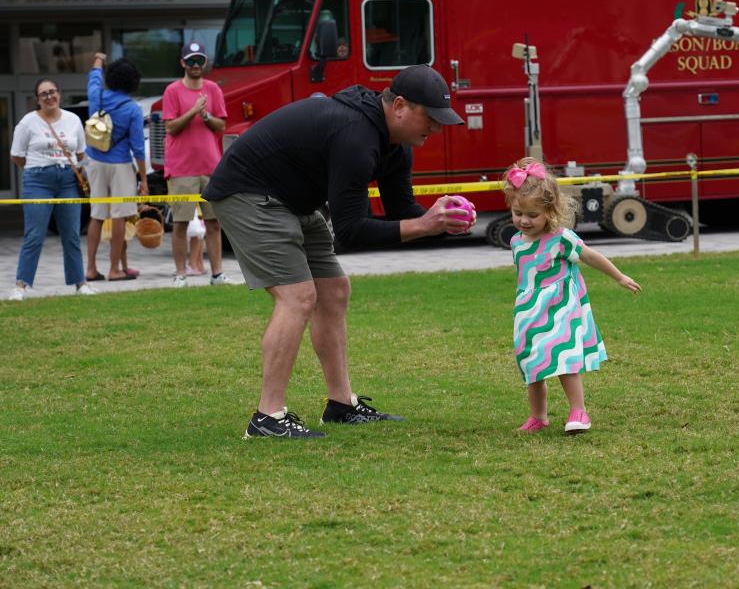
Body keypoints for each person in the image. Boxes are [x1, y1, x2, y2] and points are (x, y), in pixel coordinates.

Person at [202, 64, 472, 439]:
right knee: (297, 296)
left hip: (293, 200)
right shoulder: (356, 136)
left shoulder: (396, 147)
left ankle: (341, 405)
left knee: (334, 290)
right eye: (431, 118)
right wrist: (424, 225)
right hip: (249, 193)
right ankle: (267, 418)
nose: (437, 129)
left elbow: (402, 214)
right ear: (399, 106)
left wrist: (440, 220)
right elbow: (351, 231)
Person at [504, 158, 640, 434]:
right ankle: (538, 416)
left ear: (550, 212)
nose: (524, 220)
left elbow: (591, 256)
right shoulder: (516, 242)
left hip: (560, 308)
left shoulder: (561, 238)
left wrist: (619, 277)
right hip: (530, 311)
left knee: (563, 357)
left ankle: (579, 411)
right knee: (534, 364)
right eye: (518, 213)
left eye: (532, 215)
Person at [8, 78, 98, 300]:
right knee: (34, 234)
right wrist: (36, 168)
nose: (49, 97)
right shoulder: (27, 122)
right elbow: (17, 156)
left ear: (59, 94)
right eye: (44, 94)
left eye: (52, 92)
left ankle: (81, 283)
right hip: (37, 179)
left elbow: (80, 153)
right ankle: (21, 286)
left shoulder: (73, 120)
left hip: (68, 179)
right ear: (37, 99)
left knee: (72, 234)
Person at [161, 42, 230, 288]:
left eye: (199, 60)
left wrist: (206, 116)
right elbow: (171, 127)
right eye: (190, 61)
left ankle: (217, 274)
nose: (195, 65)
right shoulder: (172, 91)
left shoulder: (213, 89)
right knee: (180, 223)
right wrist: (193, 111)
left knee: (214, 222)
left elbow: (221, 126)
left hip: (211, 166)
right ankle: (180, 274)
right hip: (181, 169)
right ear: (182, 63)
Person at [85, 53, 148, 282]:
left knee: (97, 216)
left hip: (95, 161)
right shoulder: (132, 109)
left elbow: (93, 75)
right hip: (120, 164)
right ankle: (114, 269)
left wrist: (99, 60)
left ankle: (90, 268)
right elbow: (138, 149)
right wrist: (144, 179)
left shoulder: (96, 96)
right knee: (120, 217)